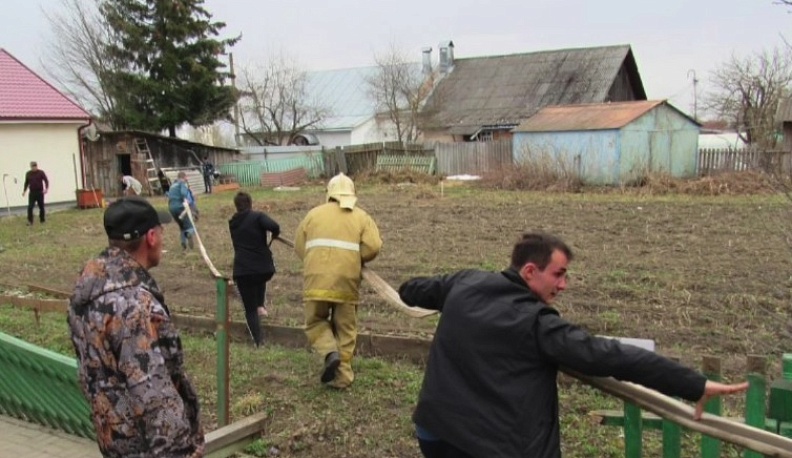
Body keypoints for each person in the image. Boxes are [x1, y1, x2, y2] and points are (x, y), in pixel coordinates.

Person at [398, 232, 749, 458]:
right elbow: (610, 355)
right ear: (530, 271)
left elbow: (412, 290)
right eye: (559, 274)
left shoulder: (465, 282)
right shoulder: (538, 324)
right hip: (491, 448)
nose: (564, 285)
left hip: (436, 433)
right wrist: (695, 384)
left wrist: (433, 296)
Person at [67, 197, 204, 457]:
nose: (162, 240)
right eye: (161, 233)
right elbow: (153, 396)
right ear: (151, 237)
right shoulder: (134, 306)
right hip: (147, 448)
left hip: (114, 440)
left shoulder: (88, 291)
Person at [294, 173, 382, 388]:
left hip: (316, 281)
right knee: (345, 328)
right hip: (347, 281)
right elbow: (373, 246)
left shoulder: (313, 215)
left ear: (329, 193)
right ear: (352, 193)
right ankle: (342, 377)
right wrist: (355, 258)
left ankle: (329, 352)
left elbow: (299, 247)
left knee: (315, 321)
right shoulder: (361, 216)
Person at [229, 191, 281, 347]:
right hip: (263, 267)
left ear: (236, 206)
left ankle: (258, 341)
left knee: (249, 309)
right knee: (259, 279)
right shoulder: (257, 216)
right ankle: (260, 307)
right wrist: (274, 235)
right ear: (250, 203)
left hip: (243, 270)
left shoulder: (232, 222)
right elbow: (274, 226)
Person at [168, 171, 195, 250]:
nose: (187, 179)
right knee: (190, 226)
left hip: (171, 208)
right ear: (183, 177)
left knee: (182, 227)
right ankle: (189, 233)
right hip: (180, 207)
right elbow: (183, 193)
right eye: (186, 177)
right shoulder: (181, 184)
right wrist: (186, 199)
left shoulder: (172, 186)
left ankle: (183, 243)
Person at [22, 161, 49, 225]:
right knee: (30, 207)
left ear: (37, 166)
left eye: (35, 166)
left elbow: (46, 180)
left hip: (40, 192)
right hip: (32, 193)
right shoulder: (28, 173)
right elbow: (26, 183)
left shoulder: (41, 172)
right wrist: (24, 191)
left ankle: (42, 220)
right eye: (32, 166)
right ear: (31, 167)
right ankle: (30, 221)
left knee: (41, 207)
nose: (34, 167)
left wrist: (46, 188)